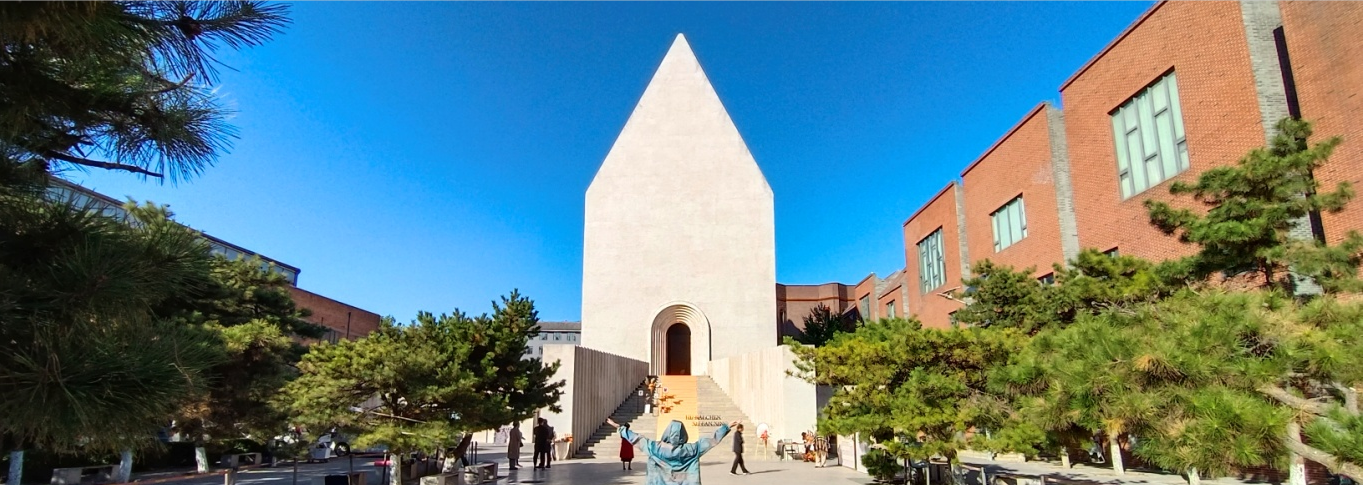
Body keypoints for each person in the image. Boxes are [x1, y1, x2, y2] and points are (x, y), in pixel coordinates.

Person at [606, 417, 735, 485]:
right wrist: (726, 427)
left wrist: (618, 427)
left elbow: (635, 438)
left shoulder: (655, 448)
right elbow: (711, 440)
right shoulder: (692, 450)